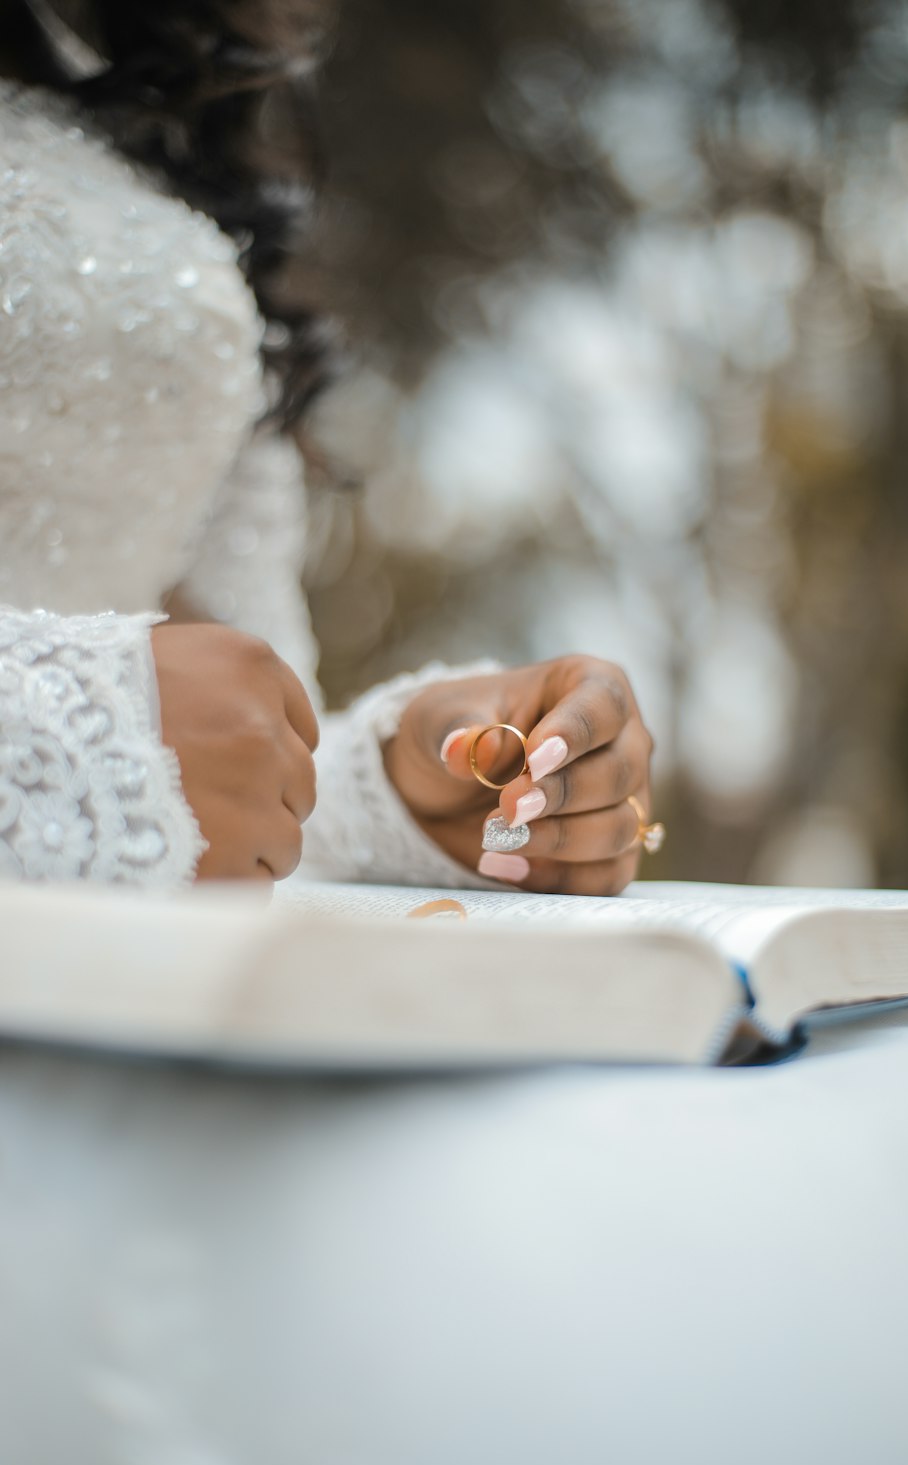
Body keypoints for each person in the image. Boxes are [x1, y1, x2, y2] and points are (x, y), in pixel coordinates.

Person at [0, 0, 655, 894]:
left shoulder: (129, 96)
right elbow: (147, 741)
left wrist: (406, 785)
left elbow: (238, 736)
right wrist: (67, 744)